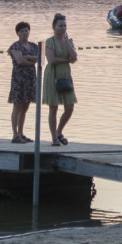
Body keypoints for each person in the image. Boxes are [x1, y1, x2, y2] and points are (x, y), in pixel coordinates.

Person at [42, 13, 78, 146]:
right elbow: (51, 59)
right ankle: (53, 138)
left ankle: (59, 131)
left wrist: (68, 44)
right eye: (60, 26)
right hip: (53, 75)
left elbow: (74, 58)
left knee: (70, 107)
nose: (63, 28)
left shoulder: (69, 40)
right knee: (54, 107)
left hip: (66, 75)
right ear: (54, 27)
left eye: (64, 26)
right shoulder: (50, 42)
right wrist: (66, 60)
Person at [7, 21, 38, 143]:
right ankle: (15, 134)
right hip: (19, 79)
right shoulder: (15, 46)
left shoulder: (34, 45)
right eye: (21, 31)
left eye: (26, 30)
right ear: (17, 33)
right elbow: (19, 61)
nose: (24, 33)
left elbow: (41, 58)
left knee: (25, 106)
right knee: (17, 106)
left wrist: (27, 58)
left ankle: (21, 132)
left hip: (30, 79)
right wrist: (31, 60)